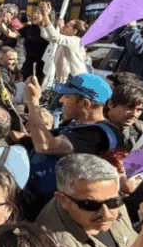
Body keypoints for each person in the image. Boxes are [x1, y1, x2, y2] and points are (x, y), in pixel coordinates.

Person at [24, 73, 121, 216]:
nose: (62, 100)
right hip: (39, 201)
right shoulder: (76, 124)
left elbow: (44, 145)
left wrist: (33, 102)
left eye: (68, 97)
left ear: (85, 104)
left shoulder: (98, 134)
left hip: (59, 212)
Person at [37, 1, 89, 85]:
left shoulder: (75, 40)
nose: (63, 26)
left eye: (67, 26)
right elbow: (46, 35)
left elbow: (55, 36)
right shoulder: (66, 39)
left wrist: (45, 15)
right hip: (63, 80)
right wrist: (44, 18)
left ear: (74, 31)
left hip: (75, 81)